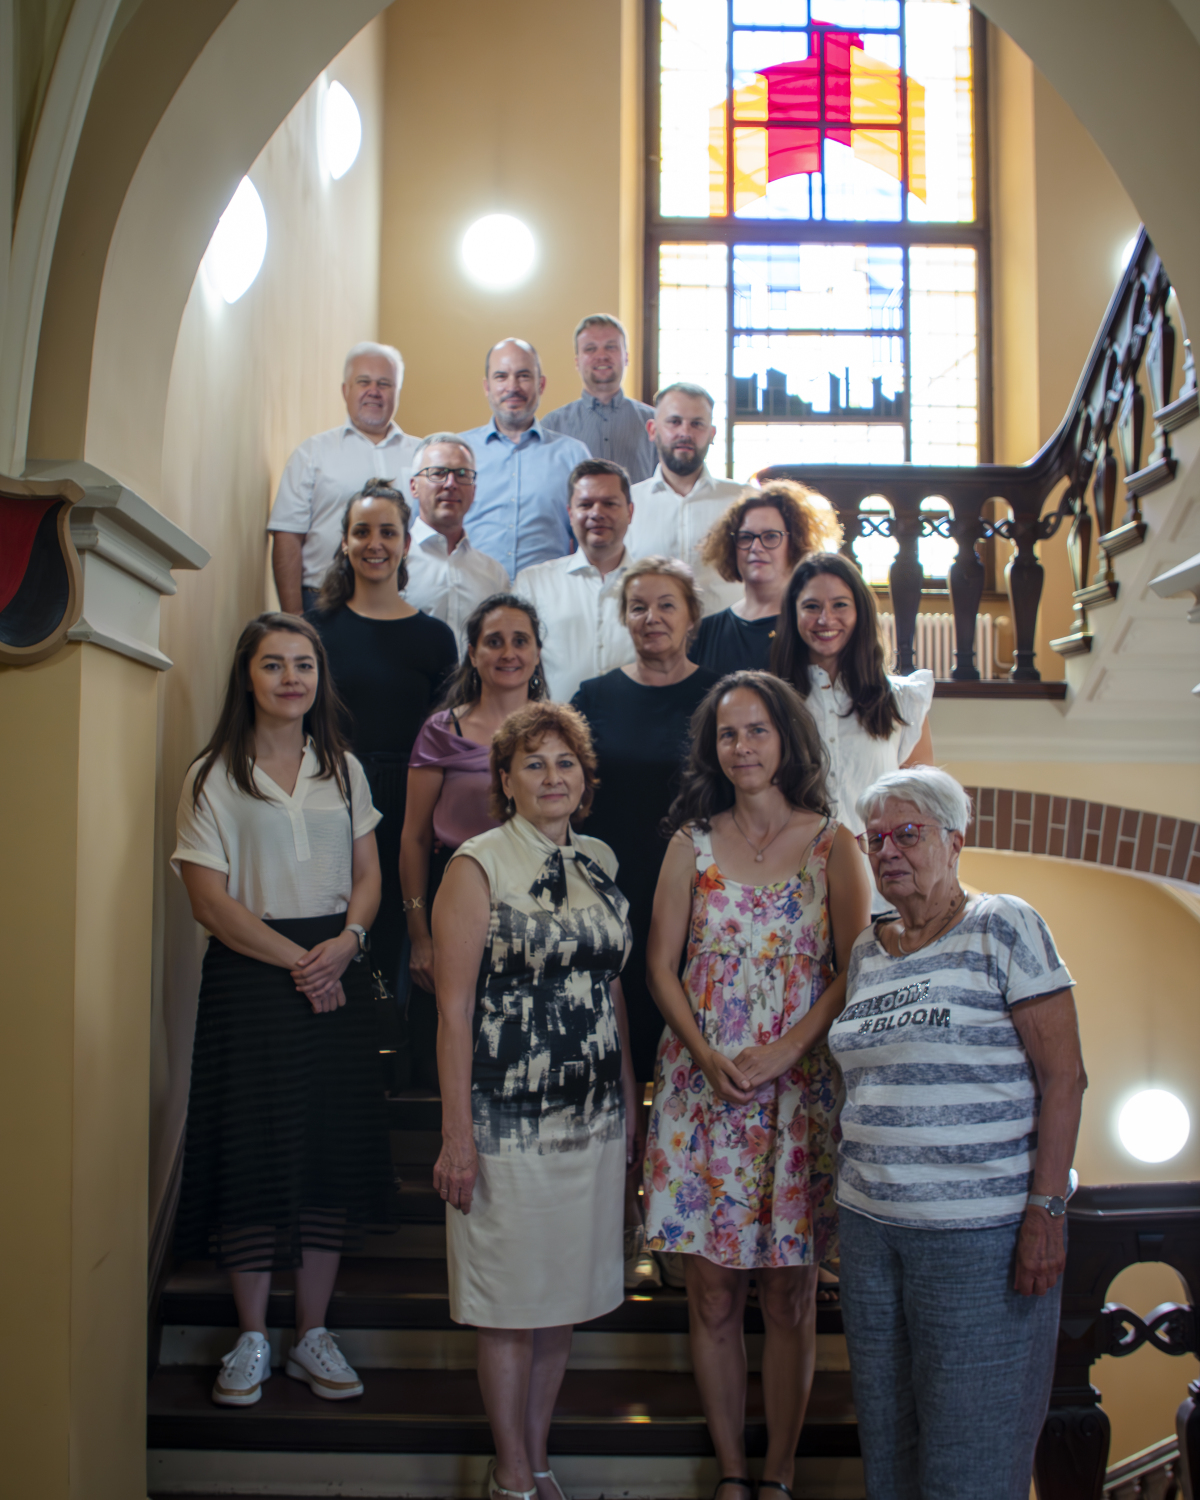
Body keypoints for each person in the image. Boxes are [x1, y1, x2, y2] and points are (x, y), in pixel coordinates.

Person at [642, 672, 871, 1500]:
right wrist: (704, 1054)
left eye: (757, 731)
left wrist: (786, 1052)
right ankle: (732, 1472)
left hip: (796, 1095)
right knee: (711, 1293)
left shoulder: (832, 844)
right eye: (728, 734)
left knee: (790, 1292)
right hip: (704, 1092)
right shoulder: (689, 845)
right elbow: (660, 970)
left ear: (788, 741)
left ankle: (779, 1474)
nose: (742, 747)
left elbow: (854, 969)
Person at [828, 766, 1086, 1499]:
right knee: (890, 1446)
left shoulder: (1002, 924)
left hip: (979, 1236)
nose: (888, 852)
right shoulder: (867, 954)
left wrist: (1047, 1210)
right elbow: (861, 1084)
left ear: (954, 840)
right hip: (871, 1232)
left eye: (908, 834)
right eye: (876, 839)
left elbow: (1063, 1077)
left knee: (971, 1458)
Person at [171, 613, 399, 1408]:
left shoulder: (343, 769)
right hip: (251, 977)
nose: (291, 678)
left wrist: (349, 941)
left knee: (326, 1155)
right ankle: (253, 1337)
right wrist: (306, 963)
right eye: (274, 665)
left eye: (304, 664)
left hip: (334, 961)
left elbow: (367, 876)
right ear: (248, 677)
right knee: (251, 1153)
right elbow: (209, 902)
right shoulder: (212, 775)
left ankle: (311, 1334)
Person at [433, 702, 639, 1500]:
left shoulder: (603, 860)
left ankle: (540, 1455)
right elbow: (452, 1010)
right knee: (510, 1303)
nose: (552, 776)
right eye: (534, 763)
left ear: (585, 780)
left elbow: (612, 993)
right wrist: (458, 1136)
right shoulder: (476, 865)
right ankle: (510, 1474)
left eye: (566, 763)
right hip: (505, 1122)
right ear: (506, 781)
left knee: (563, 1302)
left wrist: (629, 1110)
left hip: (591, 1119)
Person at [570, 557, 720, 1290]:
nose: (652, 618)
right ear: (622, 617)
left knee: (685, 1069)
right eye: (638, 607)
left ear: (692, 617)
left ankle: (678, 1223)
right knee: (617, 1069)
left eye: (667, 606)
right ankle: (623, 1223)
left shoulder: (720, 699)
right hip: (608, 903)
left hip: (700, 903)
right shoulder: (592, 696)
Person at [307, 479, 457, 1013]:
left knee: (407, 922)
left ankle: (403, 1063)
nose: (375, 543)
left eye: (388, 531)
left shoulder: (436, 638)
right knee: (341, 915)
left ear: (406, 543)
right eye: (362, 531)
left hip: (411, 797)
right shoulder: (315, 629)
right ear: (344, 543)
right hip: (333, 795)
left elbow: (445, 739)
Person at [399, 594, 547, 1087]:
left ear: (538, 652)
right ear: (473, 652)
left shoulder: (558, 730)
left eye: (520, 640)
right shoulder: (442, 730)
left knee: (525, 1046)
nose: (508, 652)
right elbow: (415, 838)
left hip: (535, 898)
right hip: (456, 893)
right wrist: (419, 935)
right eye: (494, 641)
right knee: (453, 1034)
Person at [772, 552, 934, 913]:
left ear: (860, 611)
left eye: (839, 605)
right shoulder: (773, 703)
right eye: (811, 606)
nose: (825, 619)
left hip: (881, 891)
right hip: (793, 891)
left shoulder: (903, 700)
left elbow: (923, 806)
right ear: (793, 614)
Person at [269, 342, 419, 614]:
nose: (374, 391)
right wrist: (294, 619)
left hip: (404, 604)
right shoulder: (312, 454)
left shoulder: (423, 456)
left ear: (397, 392)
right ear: (345, 390)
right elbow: (287, 537)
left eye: (384, 384)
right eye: (364, 382)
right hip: (323, 602)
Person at [460, 338, 591, 578]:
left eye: (523, 376)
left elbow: (590, 540)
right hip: (473, 597)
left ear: (541, 384)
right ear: (486, 386)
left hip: (549, 600)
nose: (512, 387)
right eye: (501, 377)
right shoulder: (459, 453)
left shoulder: (573, 455)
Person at [514, 458, 637, 703]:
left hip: (635, 733)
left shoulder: (656, 586)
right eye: (585, 504)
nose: (597, 513)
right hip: (554, 733)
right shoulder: (534, 584)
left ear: (630, 512)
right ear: (570, 513)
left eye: (610, 503)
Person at [691, 481, 843, 676]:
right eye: (746, 537)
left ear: (795, 543)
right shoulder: (705, 633)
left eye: (771, 536)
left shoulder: (815, 626)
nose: (756, 547)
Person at [625, 383, 744, 610]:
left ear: (711, 434)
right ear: (652, 430)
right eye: (674, 422)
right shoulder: (627, 504)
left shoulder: (743, 501)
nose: (685, 433)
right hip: (649, 639)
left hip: (726, 640)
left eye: (697, 424)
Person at [404, 432, 510, 642]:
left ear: (474, 491)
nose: (451, 483)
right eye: (438, 473)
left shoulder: (494, 575)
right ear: (414, 486)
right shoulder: (393, 564)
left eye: (462, 474)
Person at [541, 314, 657, 482]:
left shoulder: (656, 423)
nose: (601, 355)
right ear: (577, 362)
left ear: (626, 357)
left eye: (611, 347)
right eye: (590, 349)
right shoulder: (551, 427)